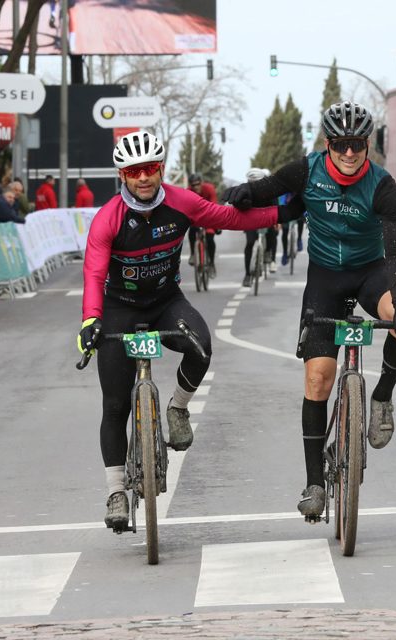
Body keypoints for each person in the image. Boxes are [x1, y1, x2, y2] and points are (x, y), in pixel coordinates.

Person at [77, 131, 299, 531]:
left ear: (162, 168)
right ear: (122, 175)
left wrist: (283, 214)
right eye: (135, 171)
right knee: (115, 405)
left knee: (202, 345)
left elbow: (229, 218)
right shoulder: (107, 219)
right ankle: (115, 491)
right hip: (117, 308)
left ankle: (177, 408)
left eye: (152, 169)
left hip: (165, 301)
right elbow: (93, 272)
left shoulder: (181, 202)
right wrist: (91, 320)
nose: (144, 178)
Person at [222, 101, 396, 520]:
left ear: (368, 145)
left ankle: (382, 399)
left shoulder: (383, 186)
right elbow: (270, 189)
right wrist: (241, 195)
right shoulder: (307, 170)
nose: (350, 153)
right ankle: (314, 483)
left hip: (371, 272)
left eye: (358, 144)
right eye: (341, 144)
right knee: (318, 378)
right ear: (328, 143)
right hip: (326, 278)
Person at [241, 167, 280, 286]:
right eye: (251, 183)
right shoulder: (244, 190)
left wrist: (276, 222)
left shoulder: (271, 190)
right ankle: (247, 274)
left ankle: (268, 252)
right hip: (250, 219)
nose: (254, 186)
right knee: (249, 243)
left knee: (273, 232)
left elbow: (276, 207)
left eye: (257, 183)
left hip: (265, 217)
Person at [186, 173, 219, 271]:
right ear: (190, 185)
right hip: (196, 217)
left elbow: (214, 205)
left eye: (198, 184)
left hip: (209, 216)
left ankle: (212, 263)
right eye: (193, 185)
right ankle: (192, 253)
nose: (196, 187)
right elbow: (186, 208)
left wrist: (216, 224)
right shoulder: (188, 191)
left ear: (202, 183)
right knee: (191, 230)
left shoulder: (209, 189)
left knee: (209, 237)